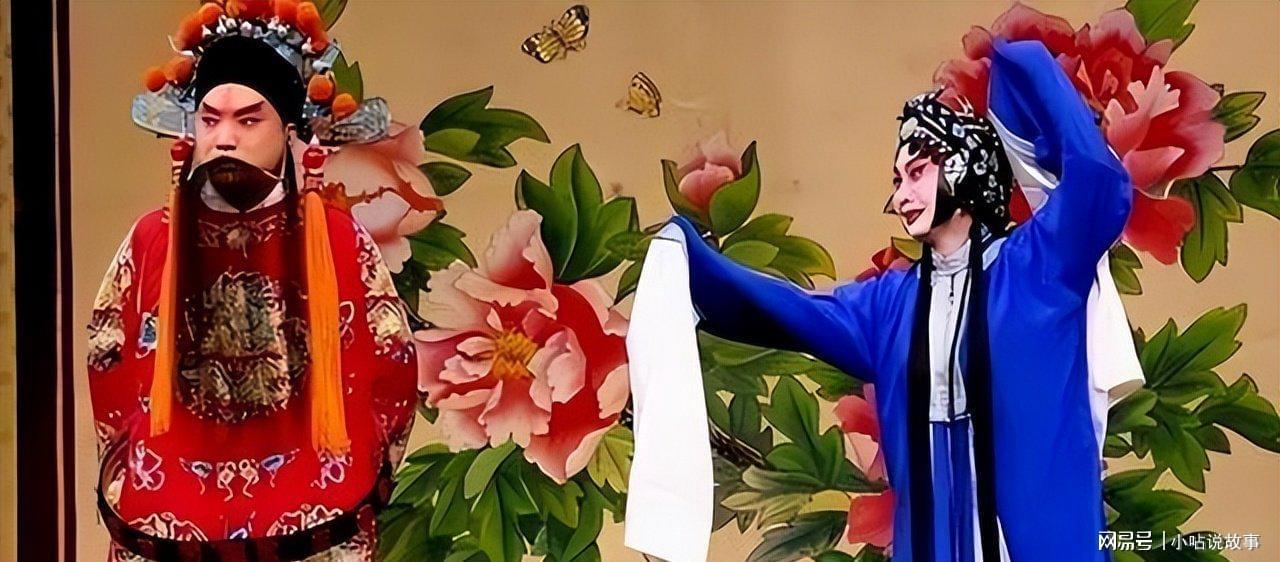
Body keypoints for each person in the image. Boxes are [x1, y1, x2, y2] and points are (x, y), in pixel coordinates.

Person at [635, 38, 1134, 561]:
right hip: (934, 532)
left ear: (963, 169)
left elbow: (1098, 184)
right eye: (898, 180)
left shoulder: (1037, 265)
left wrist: (1025, 63)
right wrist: (694, 265)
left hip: (1031, 530)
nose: (901, 197)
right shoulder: (889, 305)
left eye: (917, 173)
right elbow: (791, 311)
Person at [86, 7, 416, 561]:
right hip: (170, 522)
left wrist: (357, 468)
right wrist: (133, 470)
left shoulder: (338, 240)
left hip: (316, 523)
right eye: (210, 120)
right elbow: (108, 363)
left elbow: (391, 367)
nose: (225, 139)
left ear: (289, 132)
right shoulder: (151, 238)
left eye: (248, 121)